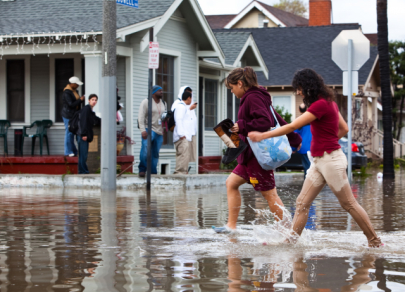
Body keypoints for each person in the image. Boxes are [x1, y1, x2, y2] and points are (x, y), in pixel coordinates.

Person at [248, 68, 382, 247]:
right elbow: (344, 129)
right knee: (302, 203)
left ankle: (375, 240)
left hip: (331, 161)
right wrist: (328, 140)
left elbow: (292, 126)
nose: (298, 92)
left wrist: (262, 136)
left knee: (348, 203)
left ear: (307, 86)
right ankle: (290, 241)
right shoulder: (329, 102)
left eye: (299, 88)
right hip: (319, 162)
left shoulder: (320, 105)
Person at [212, 67, 302, 234]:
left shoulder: (252, 97)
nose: (232, 92)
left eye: (232, 88)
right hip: (248, 155)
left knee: (270, 195)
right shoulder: (256, 96)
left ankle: (289, 232)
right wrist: (294, 138)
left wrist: (243, 126)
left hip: (257, 157)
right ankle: (231, 226)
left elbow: (265, 121)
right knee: (231, 183)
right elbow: (277, 118)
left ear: (240, 83)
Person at [138, 85, 167, 177]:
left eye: (162, 90)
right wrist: (142, 130)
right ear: (153, 93)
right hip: (148, 129)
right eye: (159, 91)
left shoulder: (163, 103)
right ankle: (142, 169)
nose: (162, 92)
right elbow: (141, 117)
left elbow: (163, 117)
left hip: (159, 131)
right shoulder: (146, 102)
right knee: (145, 149)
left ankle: (153, 172)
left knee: (155, 153)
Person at [172, 86, 198, 172]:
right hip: (182, 135)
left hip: (187, 135)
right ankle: (179, 173)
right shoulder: (179, 105)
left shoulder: (185, 106)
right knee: (182, 154)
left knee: (186, 154)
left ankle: (184, 172)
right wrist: (181, 134)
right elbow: (178, 120)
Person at [77, 94, 100, 174]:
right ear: (88, 100)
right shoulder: (86, 109)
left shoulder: (90, 110)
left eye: (95, 100)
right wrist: (83, 134)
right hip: (82, 135)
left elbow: (96, 120)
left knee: (83, 155)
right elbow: (83, 122)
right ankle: (83, 172)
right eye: (92, 99)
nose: (94, 101)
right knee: (83, 155)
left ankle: (82, 171)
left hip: (83, 135)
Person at [62, 76, 85, 157]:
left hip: (74, 115)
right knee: (69, 133)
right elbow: (71, 104)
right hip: (68, 115)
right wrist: (80, 100)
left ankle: (74, 151)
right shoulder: (67, 92)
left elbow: (76, 103)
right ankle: (68, 151)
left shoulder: (74, 91)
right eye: (76, 84)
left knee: (73, 132)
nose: (78, 86)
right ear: (72, 84)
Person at [293, 103, 312, 178]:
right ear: (307, 109)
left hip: (304, 148)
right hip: (314, 147)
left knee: (307, 168)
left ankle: (308, 186)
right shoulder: (312, 119)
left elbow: (295, 135)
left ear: (299, 110)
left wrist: (293, 148)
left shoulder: (299, 121)